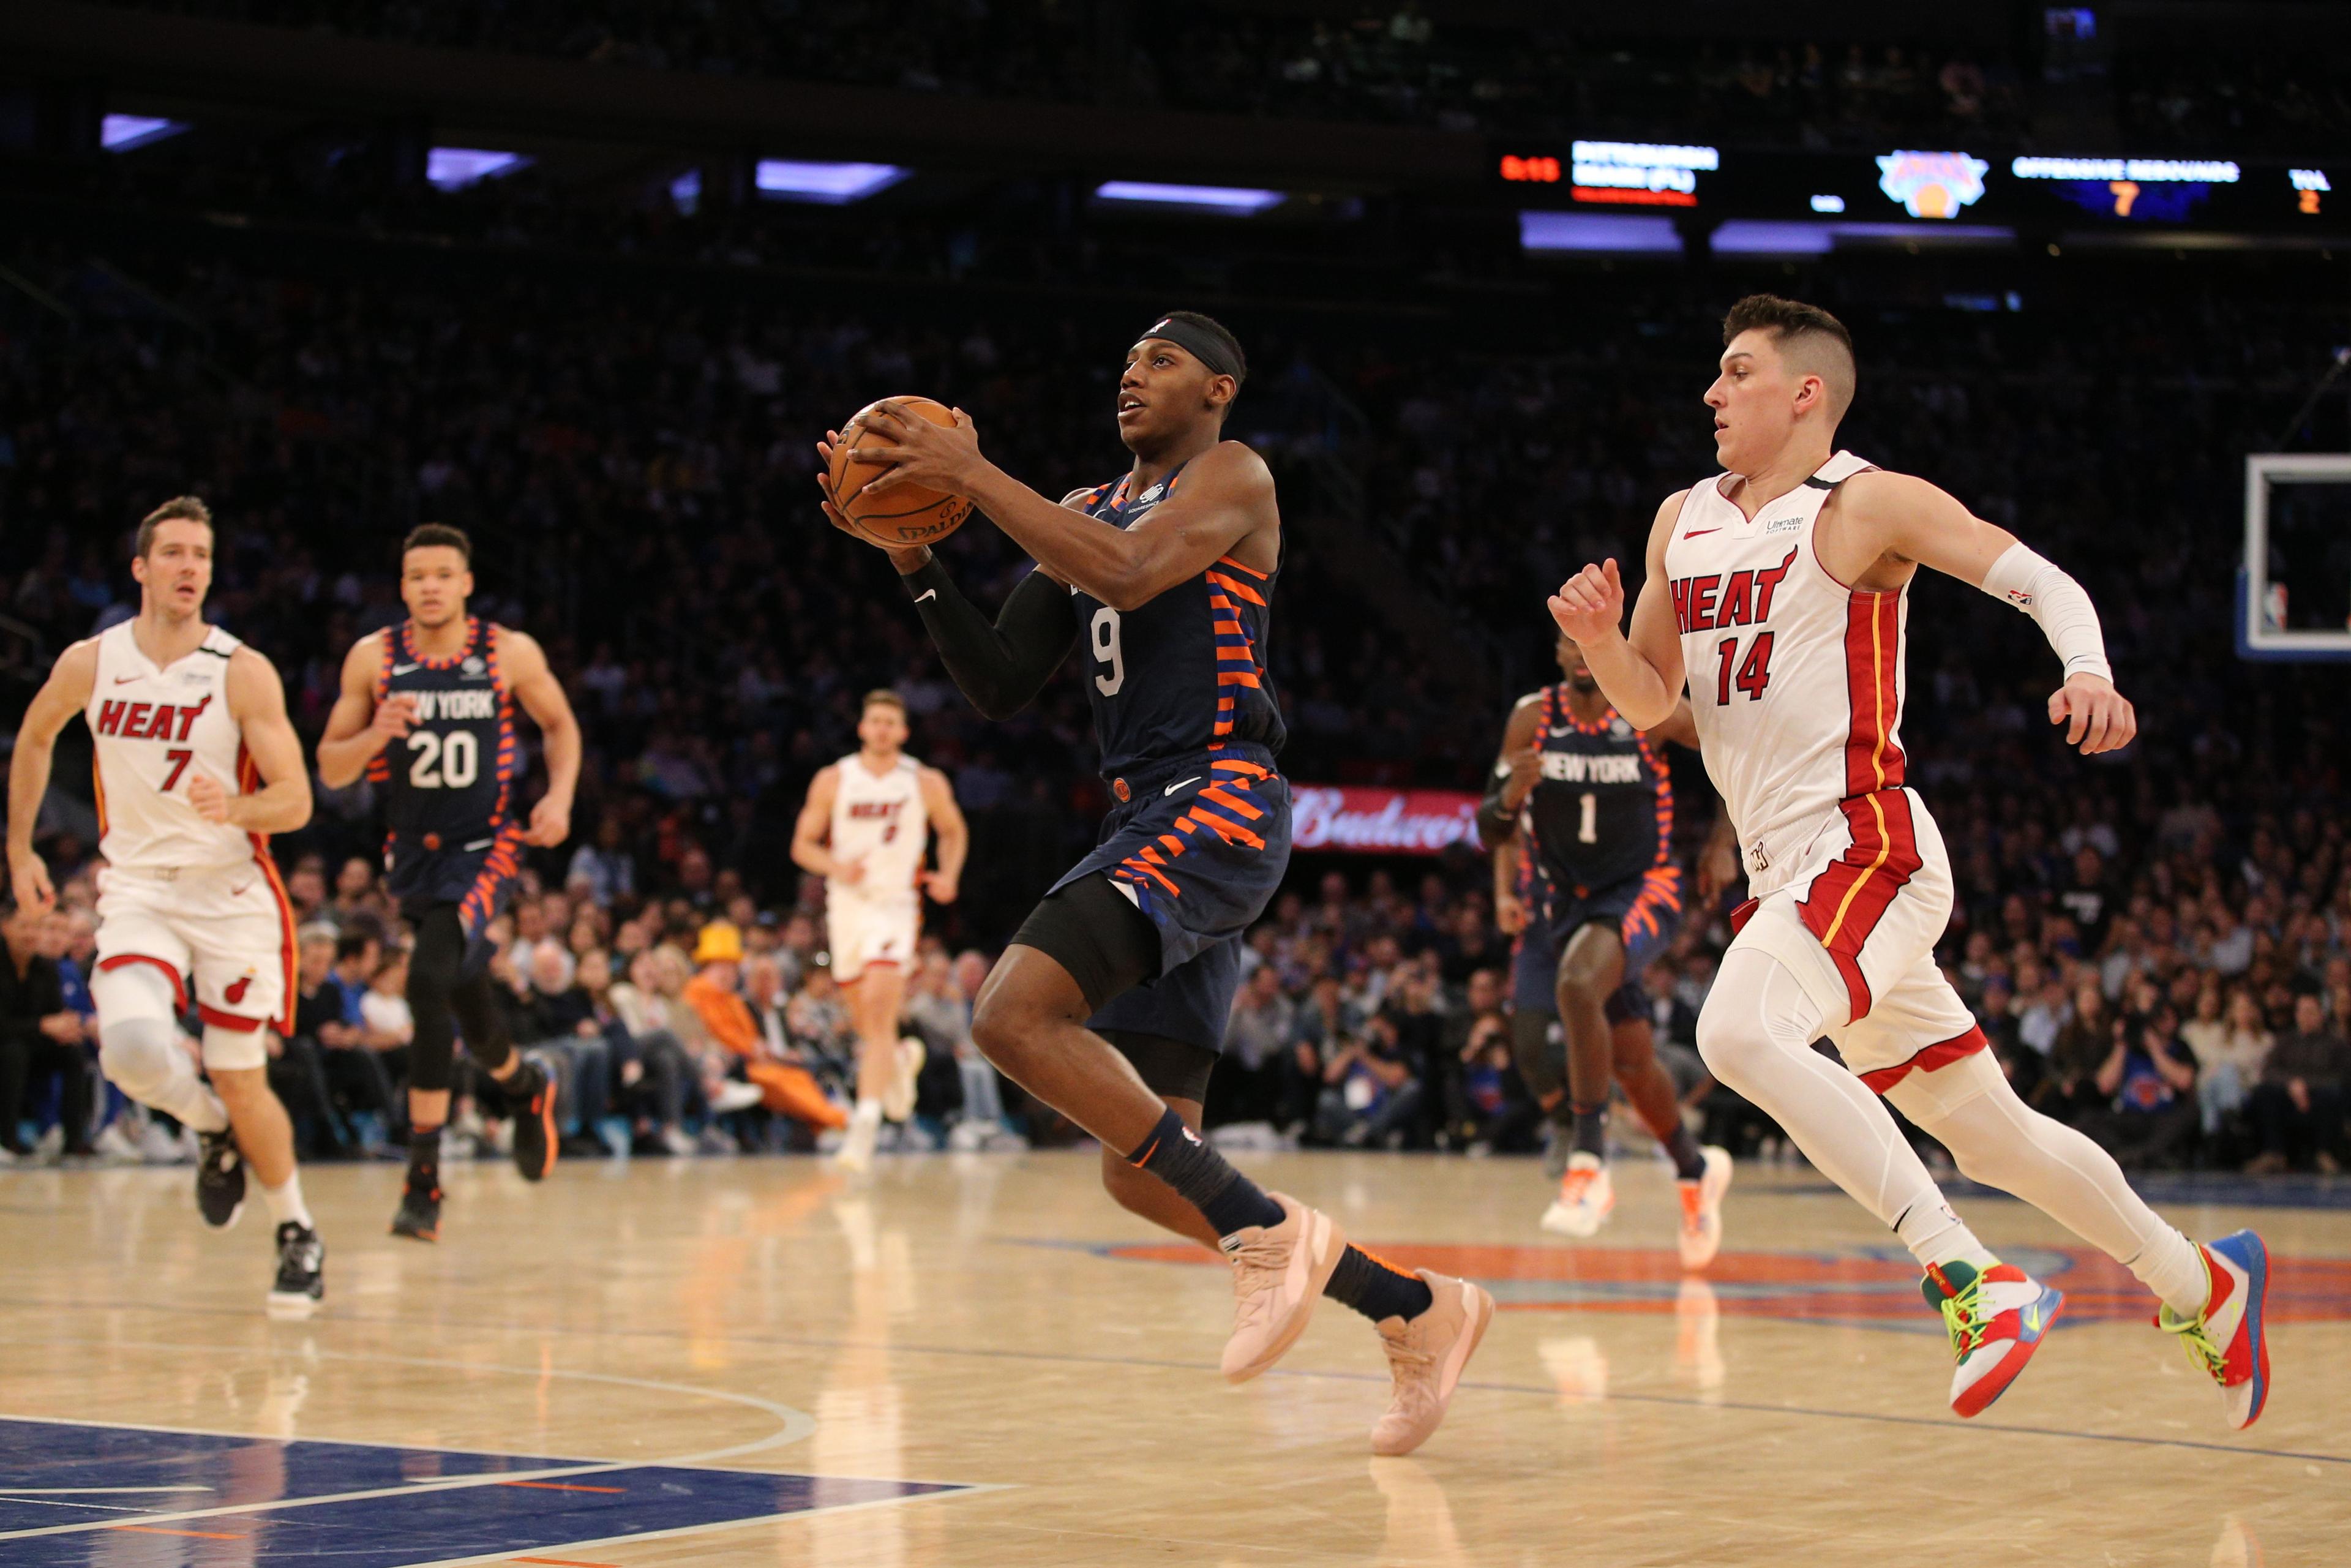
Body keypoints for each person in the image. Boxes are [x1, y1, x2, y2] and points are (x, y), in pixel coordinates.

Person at [1545, 294, 2267, 1427]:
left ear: (1806, 393)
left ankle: (1972, 1277)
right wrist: (1599, 645)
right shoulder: (1681, 518)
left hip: (1865, 840)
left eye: (1735, 373)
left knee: (1735, 1032)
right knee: (1991, 1131)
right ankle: (2205, 1284)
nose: (1711, 394)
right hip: (1788, 872)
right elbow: (1652, 699)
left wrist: (2087, 667)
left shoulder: (1863, 502)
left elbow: (2036, 576)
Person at [821, 310, 1492, 1455]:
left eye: (1164, 360)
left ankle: (1263, 1240)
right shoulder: (1086, 510)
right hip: (1148, 808)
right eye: (1127, 359)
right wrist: (917, 561)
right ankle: (1416, 1307)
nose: (1135, 373)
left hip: (1221, 797)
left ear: (1220, 389)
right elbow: (997, 681)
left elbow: (1131, 577)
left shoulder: (1234, 475)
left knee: (1011, 1011)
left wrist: (973, 473)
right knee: (1144, 1175)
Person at [6, 496, 324, 1312]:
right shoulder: (92, 660)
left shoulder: (240, 669)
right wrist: (19, 845)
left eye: (202, 556)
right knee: (134, 1049)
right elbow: (36, 737)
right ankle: (209, 1126)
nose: (191, 568)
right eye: (175, 553)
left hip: (228, 895)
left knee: (241, 1073)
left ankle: (296, 1228)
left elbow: (294, 801)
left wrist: (238, 807)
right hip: (141, 889)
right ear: (141, 568)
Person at [315, 523, 582, 1244]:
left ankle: (423, 1178)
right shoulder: (374, 658)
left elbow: (559, 724)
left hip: (484, 851)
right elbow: (331, 768)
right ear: (403, 587)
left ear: (465, 582)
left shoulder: (507, 651)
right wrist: (375, 734)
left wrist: (558, 797)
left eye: (443, 573)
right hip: (411, 860)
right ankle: (526, 1086)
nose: (430, 585)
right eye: (417, 575)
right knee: (462, 995)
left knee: (426, 982)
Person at [1480, 628, 1734, 1265]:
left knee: (1575, 983)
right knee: (1630, 1061)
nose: (1581, 651)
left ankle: (1588, 1164)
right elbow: (1491, 827)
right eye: (1568, 641)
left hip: (1645, 886)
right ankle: (1693, 1167)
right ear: (1560, 653)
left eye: (1593, 642)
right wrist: (1509, 796)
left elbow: (1738, 748)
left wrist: (1724, 839)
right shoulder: (1532, 718)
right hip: (1568, 900)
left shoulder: (1647, 708)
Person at [790, 689, 967, 1171]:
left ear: (904, 732)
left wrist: (949, 875)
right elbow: (802, 846)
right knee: (871, 1027)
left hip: (895, 905)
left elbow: (953, 830)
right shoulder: (834, 779)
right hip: (845, 905)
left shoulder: (923, 780)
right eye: (876, 720)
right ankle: (900, 1059)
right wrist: (834, 864)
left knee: (879, 1012)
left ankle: (864, 1129)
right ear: (863, 728)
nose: (883, 728)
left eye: (892, 721)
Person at [0, 898, 94, 1160]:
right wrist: (42, 1025)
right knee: (14, 1054)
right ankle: (7, 1141)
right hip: (9, 1044)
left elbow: (55, 1013)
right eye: (23, 927)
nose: (30, 934)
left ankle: (74, 1142)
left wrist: (66, 1026)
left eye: (35, 927)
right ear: (5, 927)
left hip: (29, 1041)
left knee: (72, 1051)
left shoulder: (46, 967)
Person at [2245, 992, 2346, 1174]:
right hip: (2287, 1096)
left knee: (2333, 1093)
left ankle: (2324, 1153)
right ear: (2296, 1015)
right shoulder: (2285, 1040)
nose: (2306, 1017)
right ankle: (2274, 1153)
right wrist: (2292, 1085)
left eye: (2311, 1012)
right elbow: (2269, 1070)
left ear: (2321, 1015)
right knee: (2264, 1092)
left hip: (2320, 1097)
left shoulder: (2335, 1043)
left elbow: (2342, 1076)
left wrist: (2305, 1087)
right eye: (2302, 1012)